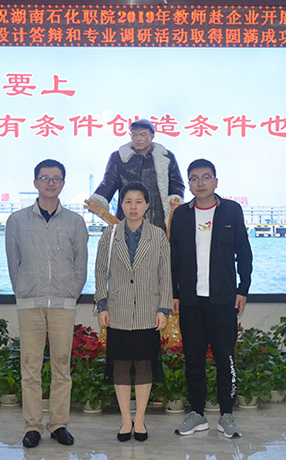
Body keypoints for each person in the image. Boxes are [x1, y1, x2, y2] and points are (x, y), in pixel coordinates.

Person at [5, 159, 89, 448]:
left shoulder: (75, 221)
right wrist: (22, 291)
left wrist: (72, 292)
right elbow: (13, 262)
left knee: (61, 367)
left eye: (56, 178)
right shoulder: (17, 221)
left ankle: (58, 424)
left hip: (63, 303)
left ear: (63, 183)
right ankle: (32, 426)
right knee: (30, 367)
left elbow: (81, 263)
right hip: (29, 302)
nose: (50, 183)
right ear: (35, 183)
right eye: (44, 178)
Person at [169, 158, 253, 439]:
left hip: (223, 300)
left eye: (206, 177)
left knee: (225, 359)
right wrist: (174, 294)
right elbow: (174, 258)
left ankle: (227, 415)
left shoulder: (231, 210)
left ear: (216, 181)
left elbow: (244, 252)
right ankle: (197, 413)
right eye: (194, 178)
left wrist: (243, 289)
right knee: (193, 360)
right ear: (189, 184)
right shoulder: (181, 215)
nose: (200, 183)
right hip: (191, 301)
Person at [94, 181, 172, 443]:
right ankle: (125, 420)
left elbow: (165, 275)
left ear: (147, 205)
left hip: (148, 311)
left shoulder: (157, 235)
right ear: (122, 205)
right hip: (118, 310)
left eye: (139, 201)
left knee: (144, 365)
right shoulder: (111, 234)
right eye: (128, 201)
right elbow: (100, 272)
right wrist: (102, 304)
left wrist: (164, 309)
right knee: (120, 365)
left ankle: (140, 420)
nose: (133, 207)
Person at [85, 118, 185, 232]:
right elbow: (108, 182)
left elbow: (176, 184)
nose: (138, 139)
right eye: (134, 134)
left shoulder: (166, 157)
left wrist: (175, 199)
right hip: (127, 218)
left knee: (158, 241)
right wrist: (98, 200)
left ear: (152, 136)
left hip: (158, 219)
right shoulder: (118, 157)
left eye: (143, 135)